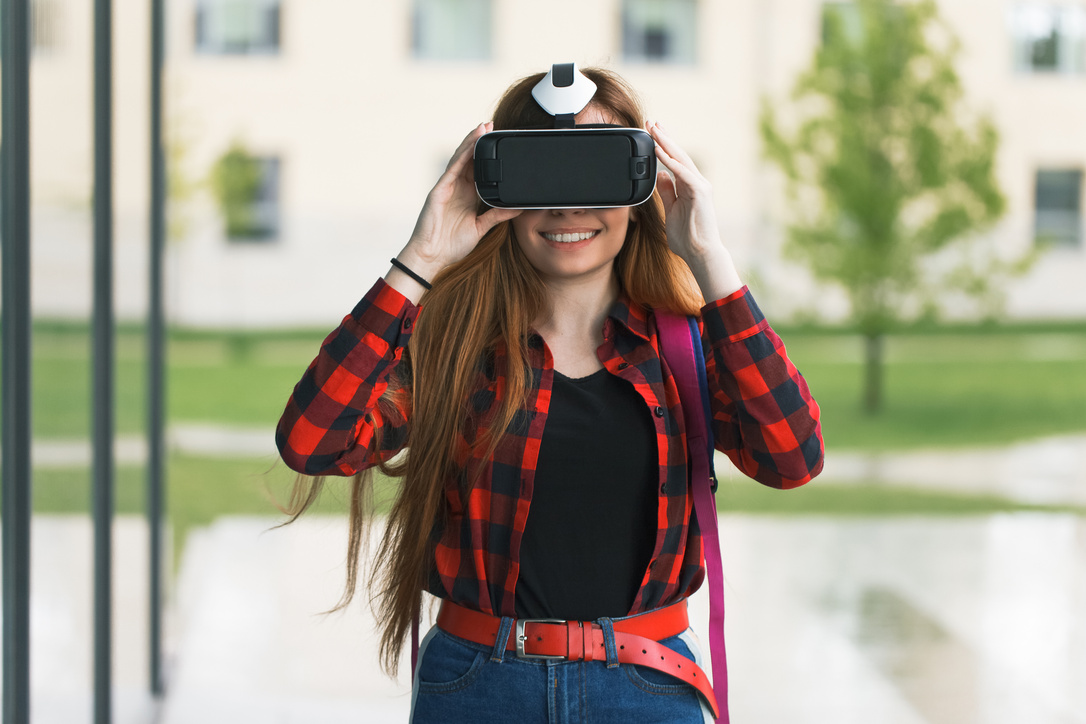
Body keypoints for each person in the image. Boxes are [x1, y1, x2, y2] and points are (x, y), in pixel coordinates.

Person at [275, 67, 823, 724]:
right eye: (544, 175)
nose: (568, 208)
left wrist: (711, 260)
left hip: (645, 687)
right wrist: (421, 258)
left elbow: (792, 459)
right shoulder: (452, 346)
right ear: (497, 187)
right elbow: (312, 440)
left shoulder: (683, 352)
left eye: (594, 176)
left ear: (640, 187)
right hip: (479, 686)